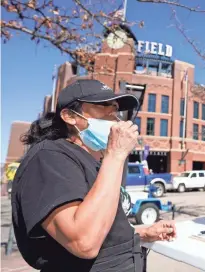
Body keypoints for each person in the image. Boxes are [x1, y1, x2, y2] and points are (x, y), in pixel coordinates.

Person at [11, 79, 176, 272]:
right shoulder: (48, 157)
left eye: (115, 109)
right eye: (103, 106)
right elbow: (83, 241)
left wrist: (142, 233)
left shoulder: (95, 161)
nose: (114, 116)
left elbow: (103, 229)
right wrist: (115, 155)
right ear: (70, 116)